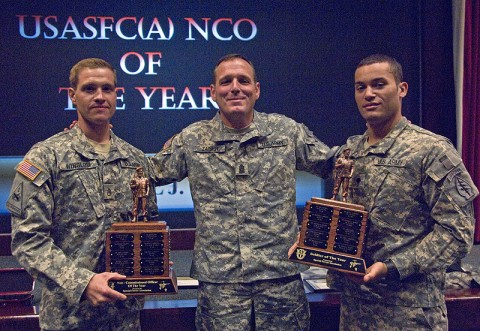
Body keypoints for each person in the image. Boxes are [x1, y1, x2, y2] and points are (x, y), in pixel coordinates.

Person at [149, 54, 336, 330]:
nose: (235, 87)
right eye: (226, 81)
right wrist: (96, 138)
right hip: (221, 289)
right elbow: (144, 173)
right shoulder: (191, 139)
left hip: (280, 283)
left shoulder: (285, 132)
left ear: (256, 89)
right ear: (213, 92)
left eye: (243, 80)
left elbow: (335, 165)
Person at [327, 54, 478, 330]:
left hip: (410, 314)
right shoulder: (350, 152)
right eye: (361, 87)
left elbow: (458, 233)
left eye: (379, 84)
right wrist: (314, 246)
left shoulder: (432, 151)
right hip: (355, 312)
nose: (369, 94)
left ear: (402, 89)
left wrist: (393, 266)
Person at [6, 58, 157, 330]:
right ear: (73, 95)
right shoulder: (45, 157)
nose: (100, 96)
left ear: (116, 94)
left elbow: (145, 227)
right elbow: (27, 240)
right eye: (89, 89)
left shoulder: (135, 160)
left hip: (125, 318)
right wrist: (83, 282)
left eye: (107, 88)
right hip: (69, 318)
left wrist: (152, 261)